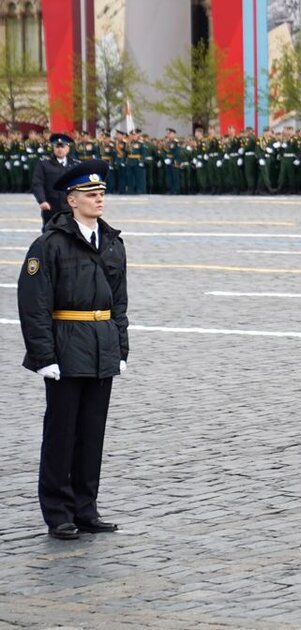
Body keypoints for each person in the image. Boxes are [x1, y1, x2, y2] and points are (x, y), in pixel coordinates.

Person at [17, 159, 128, 541]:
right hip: (66, 346)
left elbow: (119, 302)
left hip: (101, 345)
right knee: (62, 433)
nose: (99, 200)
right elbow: (33, 304)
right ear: (72, 200)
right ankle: (58, 511)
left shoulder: (112, 241)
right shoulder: (49, 244)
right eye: (91, 194)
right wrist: (44, 357)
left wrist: (121, 348)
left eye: (102, 194)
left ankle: (86, 507)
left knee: (91, 434)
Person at [31, 133, 79, 229]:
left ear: (68, 148)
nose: (59, 149)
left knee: (70, 234)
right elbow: (37, 183)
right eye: (57, 146)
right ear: (53, 148)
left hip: (70, 207)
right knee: (49, 234)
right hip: (51, 206)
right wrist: (42, 201)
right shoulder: (44, 163)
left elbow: (80, 185)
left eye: (62, 146)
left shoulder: (75, 165)